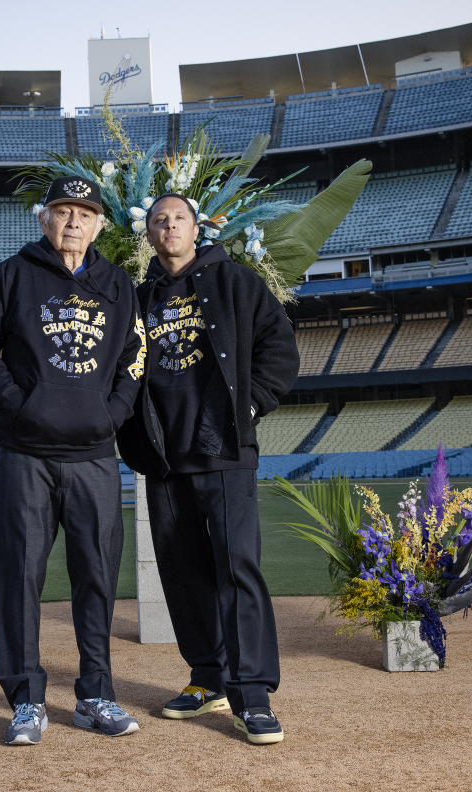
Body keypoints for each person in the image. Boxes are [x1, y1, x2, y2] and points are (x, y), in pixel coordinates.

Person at [0, 175, 147, 746]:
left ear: (99, 225)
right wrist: (16, 403)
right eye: (63, 211)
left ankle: (95, 694)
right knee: (20, 575)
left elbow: (136, 354)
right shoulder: (12, 274)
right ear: (44, 219)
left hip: (95, 455)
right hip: (24, 455)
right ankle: (25, 701)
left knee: (96, 575)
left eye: (85, 213)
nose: (73, 221)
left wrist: (112, 414)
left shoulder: (118, 283)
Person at [116, 193, 300, 745]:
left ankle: (253, 695)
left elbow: (280, 348)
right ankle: (206, 677)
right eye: (159, 220)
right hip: (163, 457)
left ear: (196, 229)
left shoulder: (236, 283)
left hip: (223, 451)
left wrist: (250, 404)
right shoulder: (136, 297)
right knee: (182, 573)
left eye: (178, 219)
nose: (169, 226)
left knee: (236, 569)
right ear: (147, 234)